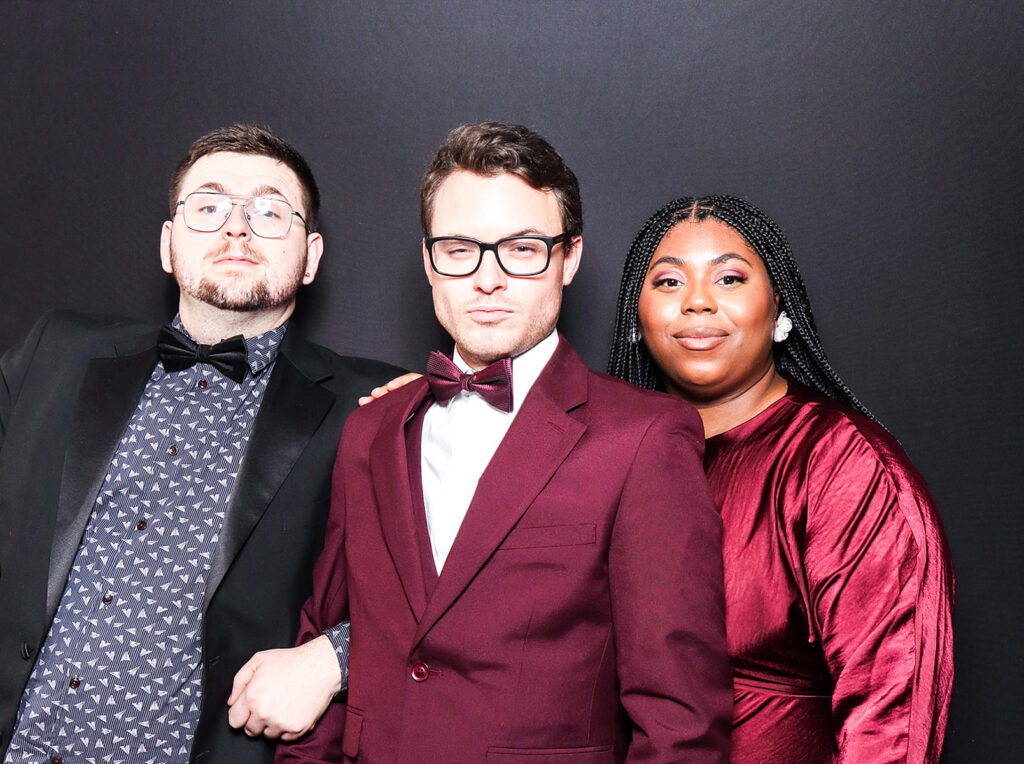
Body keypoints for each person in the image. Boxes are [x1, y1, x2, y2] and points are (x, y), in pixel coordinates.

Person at [244, 122, 732, 762]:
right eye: (460, 248)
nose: (488, 278)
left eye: (522, 249)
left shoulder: (643, 438)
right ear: (429, 261)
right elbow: (325, 661)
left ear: (569, 258)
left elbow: (681, 726)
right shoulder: (369, 432)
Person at [0, 124, 403, 764]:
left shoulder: (379, 403)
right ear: (168, 243)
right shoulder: (55, 352)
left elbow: (470, 584)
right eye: (208, 206)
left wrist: (336, 659)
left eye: (270, 211)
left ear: (312, 255)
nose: (236, 228)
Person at [607, 195, 955, 763]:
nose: (697, 302)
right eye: (669, 282)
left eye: (729, 278)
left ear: (779, 309)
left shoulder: (842, 465)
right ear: (636, 320)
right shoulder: (606, 459)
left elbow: (891, 721)